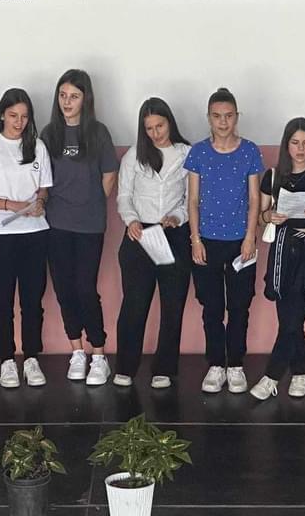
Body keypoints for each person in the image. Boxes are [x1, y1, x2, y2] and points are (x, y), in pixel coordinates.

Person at [0, 88, 53, 389]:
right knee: (2, 301)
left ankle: (31, 358)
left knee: (32, 301)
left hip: (35, 234)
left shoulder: (38, 146)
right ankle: (6, 359)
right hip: (0, 235)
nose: (19, 122)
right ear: (2, 115)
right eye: (13, 115)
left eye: (24, 117)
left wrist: (40, 201)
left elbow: (44, 188)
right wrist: (11, 205)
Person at [41, 69, 119, 386]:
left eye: (74, 96)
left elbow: (109, 175)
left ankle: (98, 353)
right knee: (64, 289)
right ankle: (77, 350)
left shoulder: (98, 133)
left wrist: (90, 202)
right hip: (56, 224)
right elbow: (42, 178)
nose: (67, 102)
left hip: (89, 225)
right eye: (63, 95)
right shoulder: (49, 134)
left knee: (85, 287)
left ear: (85, 99)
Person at [186, 87, 263, 394]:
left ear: (236, 117)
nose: (223, 122)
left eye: (229, 116)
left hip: (240, 241)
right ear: (209, 118)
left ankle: (236, 365)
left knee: (240, 306)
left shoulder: (250, 151)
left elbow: (255, 199)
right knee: (212, 307)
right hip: (206, 240)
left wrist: (250, 237)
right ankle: (216, 364)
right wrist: (195, 239)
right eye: (217, 116)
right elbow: (192, 200)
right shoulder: (198, 152)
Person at [113, 97, 193, 389]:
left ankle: (164, 368)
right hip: (140, 235)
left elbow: (191, 199)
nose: (156, 133)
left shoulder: (186, 154)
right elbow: (124, 196)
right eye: (149, 128)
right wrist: (131, 220)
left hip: (173, 233)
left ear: (170, 122)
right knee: (134, 305)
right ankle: (125, 366)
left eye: (160, 126)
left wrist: (177, 217)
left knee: (172, 306)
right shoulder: (134, 156)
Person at [250, 117, 305, 401]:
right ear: (286, 145)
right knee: (288, 316)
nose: (300, 149)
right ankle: (300, 372)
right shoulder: (274, 176)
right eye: (295, 143)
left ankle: (271, 376)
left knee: (295, 314)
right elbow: (260, 218)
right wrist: (269, 216)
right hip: (283, 249)